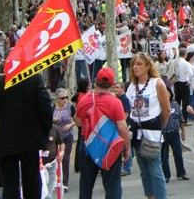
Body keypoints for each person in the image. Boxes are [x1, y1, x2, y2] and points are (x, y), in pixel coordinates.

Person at [0, 73, 52, 199]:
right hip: (30, 140)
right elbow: (46, 108)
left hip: (6, 143)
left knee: (10, 183)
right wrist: (44, 135)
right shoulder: (35, 80)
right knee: (32, 180)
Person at [74, 68, 131, 199]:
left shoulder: (84, 100)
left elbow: (77, 120)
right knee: (112, 187)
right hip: (109, 145)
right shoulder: (115, 102)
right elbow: (122, 128)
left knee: (86, 186)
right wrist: (127, 147)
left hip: (87, 143)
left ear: (95, 81)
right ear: (111, 85)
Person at [126, 53, 171, 199]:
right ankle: (150, 196)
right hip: (136, 133)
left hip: (152, 133)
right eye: (133, 64)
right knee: (144, 170)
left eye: (139, 64)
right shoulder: (132, 86)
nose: (135, 67)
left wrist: (159, 126)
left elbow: (166, 110)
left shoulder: (157, 83)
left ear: (147, 66)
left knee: (155, 169)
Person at [162, 88, 189, 182]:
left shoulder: (175, 104)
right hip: (163, 134)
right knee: (164, 156)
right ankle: (166, 175)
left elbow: (180, 118)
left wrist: (183, 131)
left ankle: (182, 173)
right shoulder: (159, 105)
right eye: (165, 93)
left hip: (174, 133)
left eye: (168, 93)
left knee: (178, 153)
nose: (167, 95)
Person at [52, 88, 75, 191]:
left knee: (65, 157)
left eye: (66, 97)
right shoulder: (53, 108)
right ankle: (56, 179)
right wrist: (52, 120)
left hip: (67, 135)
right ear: (57, 99)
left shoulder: (70, 107)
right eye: (62, 98)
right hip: (56, 137)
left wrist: (70, 125)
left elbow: (78, 119)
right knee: (56, 158)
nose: (65, 100)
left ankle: (64, 183)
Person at [112, 82, 133, 176]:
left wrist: (119, 123)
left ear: (123, 89)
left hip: (124, 126)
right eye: (114, 87)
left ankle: (127, 168)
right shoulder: (117, 98)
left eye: (117, 87)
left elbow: (126, 113)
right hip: (118, 125)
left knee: (125, 147)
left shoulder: (124, 99)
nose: (115, 89)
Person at [42, 125, 64, 199]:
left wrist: (62, 152)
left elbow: (61, 143)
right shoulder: (36, 128)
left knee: (51, 186)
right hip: (40, 165)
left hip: (52, 162)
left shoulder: (54, 128)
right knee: (43, 185)